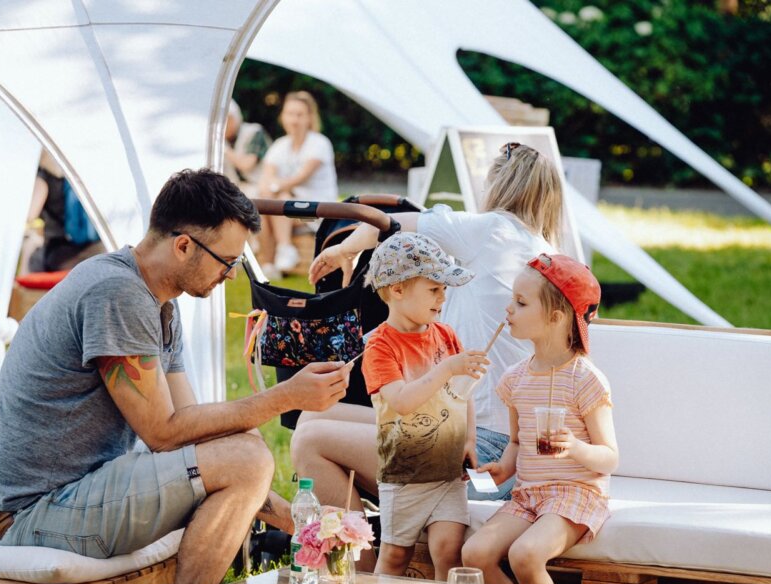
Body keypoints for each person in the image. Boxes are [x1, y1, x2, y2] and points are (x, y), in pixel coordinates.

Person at [0, 169, 353, 584]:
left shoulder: (159, 303)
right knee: (246, 457)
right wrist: (284, 397)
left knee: (244, 448)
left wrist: (301, 524)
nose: (230, 275)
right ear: (184, 245)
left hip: (77, 492)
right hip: (35, 512)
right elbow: (163, 432)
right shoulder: (118, 294)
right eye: (228, 261)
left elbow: (193, 433)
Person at [294, 142, 565, 513]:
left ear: (498, 186)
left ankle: (364, 566)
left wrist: (347, 249)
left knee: (311, 440)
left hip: (480, 451)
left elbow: (388, 225)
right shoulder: (546, 253)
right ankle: (365, 544)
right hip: (495, 441)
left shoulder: (490, 230)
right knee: (315, 415)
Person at [461, 253, 616, 584]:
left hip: (576, 495)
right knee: (474, 553)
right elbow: (517, 442)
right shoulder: (515, 378)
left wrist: (574, 447)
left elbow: (609, 457)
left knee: (526, 555)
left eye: (520, 302)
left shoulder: (585, 379)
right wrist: (503, 468)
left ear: (556, 317)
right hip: (528, 495)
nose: (508, 310)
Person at [360, 232, 489, 580]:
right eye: (434, 289)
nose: (443, 297)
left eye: (444, 289)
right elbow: (401, 401)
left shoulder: (445, 335)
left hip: (447, 475)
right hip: (405, 476)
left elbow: (464, 394)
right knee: (396, 556)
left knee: (449, 550)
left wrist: (469, 441)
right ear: (398, 289)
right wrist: (446, 367)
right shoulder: (380, 347)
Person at [257, 90, 339, 275]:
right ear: (282, 116)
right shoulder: (280, 145)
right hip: (290, 209)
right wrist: (270, 189)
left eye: (299, 115)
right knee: (267, 207)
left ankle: (284, 250)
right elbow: (266, 177)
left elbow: (299, 178)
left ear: (309, 117)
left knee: (280, 199)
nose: (294, 120)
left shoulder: (319, 143)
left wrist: (273, 187)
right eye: (290, 114)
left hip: (317, 212)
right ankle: (270, 266)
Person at [22, 151, 104, 274]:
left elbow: (30, 215)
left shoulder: (43, 177)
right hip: (97, 249)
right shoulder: (77, 174)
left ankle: (20, 290)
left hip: (61, 255)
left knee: (30, 248)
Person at [222, 99, 271, 191]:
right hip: (235, 190)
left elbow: (246, 164)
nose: (223, 124)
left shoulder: (254, 131)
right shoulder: (221, 140)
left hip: (259, 188)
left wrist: (223, 148)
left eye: (227, 119)